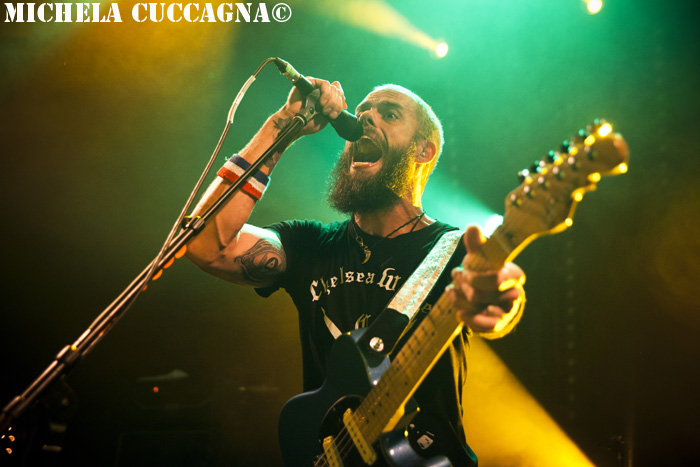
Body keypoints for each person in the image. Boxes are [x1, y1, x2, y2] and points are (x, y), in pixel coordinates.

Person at [186, 77, 525, 466]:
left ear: (423, 150)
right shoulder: (310, 245)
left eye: (389, 114)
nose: (365, 118)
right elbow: (206, 245)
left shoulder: (453, 250)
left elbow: (498, 297)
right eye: (362, 111)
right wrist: (282, 126)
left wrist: (501, 301)